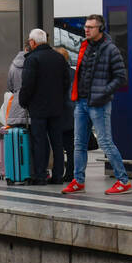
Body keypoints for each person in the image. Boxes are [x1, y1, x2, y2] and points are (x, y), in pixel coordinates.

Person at [63, 14, 131, 195]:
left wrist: (103, 92)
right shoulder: (84, 46)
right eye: (85, 26)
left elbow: (121, 77)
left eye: (90, 27)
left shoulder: (111, 49)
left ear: (100, 29)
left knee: (106, 142)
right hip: (81, 102)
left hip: (99, 104)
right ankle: (78, 180)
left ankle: (123, 180)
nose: (86, 29)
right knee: (78, 144)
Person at [20, 29, 70, 186]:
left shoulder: (32, 59)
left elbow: (28, 84)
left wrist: (24, 101)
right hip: (57, 107)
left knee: (39, 141)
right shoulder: (59, 58)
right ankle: (57, 176)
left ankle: (40, 175)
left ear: (33, 42)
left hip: (38, 108)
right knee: (57, 142)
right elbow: (66, 82)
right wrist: (60, 99)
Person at [54, 46, 76, 179]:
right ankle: (71, 173)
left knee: (58, 147)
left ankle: (59, 173)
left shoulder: (56, 74)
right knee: (71, 148)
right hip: (74, 114)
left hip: (60, 114)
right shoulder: (74, 73)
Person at [3, 44, 31, 131]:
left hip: (16, 107)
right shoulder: (34, 63)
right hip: (31, 108)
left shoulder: (13, 65)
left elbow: (10, 86)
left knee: (19, 140)